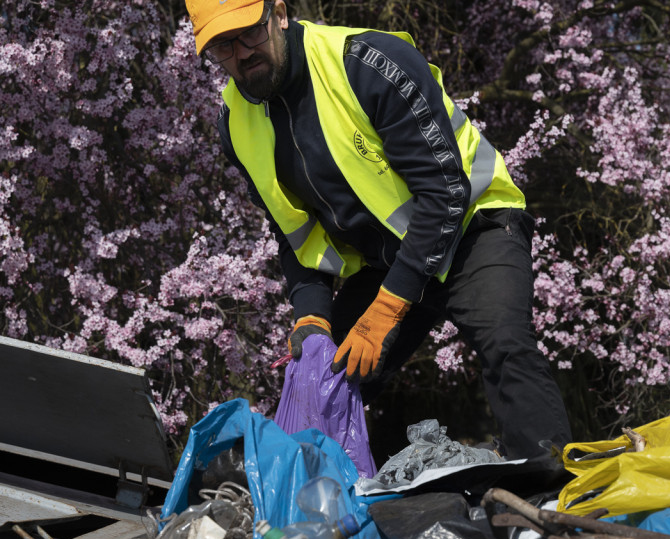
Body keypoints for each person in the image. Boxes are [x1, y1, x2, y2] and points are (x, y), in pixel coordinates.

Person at [185, 0, 572, 469]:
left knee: (506, 347)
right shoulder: (236, 125)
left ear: (280, 15)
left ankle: (550, 499)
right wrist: (311, 318)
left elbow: (445, 191)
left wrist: (390, 306)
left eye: (248, 33)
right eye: (221, 46)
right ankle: (312, 512)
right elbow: (293, 233)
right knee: (323, 379)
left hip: (475, 228)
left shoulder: (367, 63)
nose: (241, 53)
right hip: (386, 260)